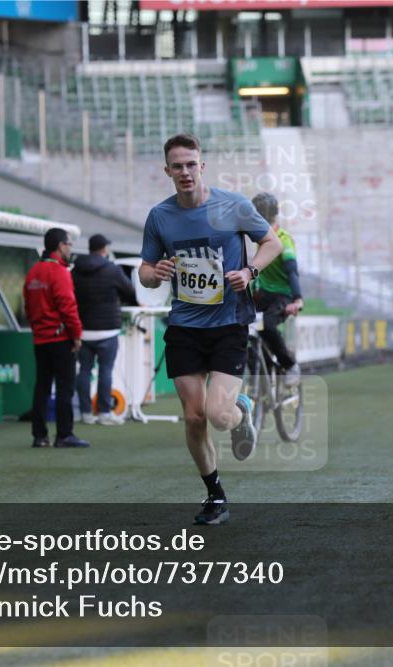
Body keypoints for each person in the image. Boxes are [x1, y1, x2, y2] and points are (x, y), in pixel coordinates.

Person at [138, 133, 282, 525]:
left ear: (202, 166)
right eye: (177, 166)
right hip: (184, 325)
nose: (185, 172)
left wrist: (249, 271)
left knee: (218, 415)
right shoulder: (160, 216)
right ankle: (215, 495)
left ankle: (241, 410)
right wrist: (155, 272)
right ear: (167, 171)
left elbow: (272, 244)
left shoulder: (233, 205)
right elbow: (145, 271)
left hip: (228, 324)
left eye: (191, 164)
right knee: (194, 417)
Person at [23, 228, 89, 449]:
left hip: (40, 339)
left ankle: (39, 436)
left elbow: (28, 307)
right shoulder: (60, 272)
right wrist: (76, 335)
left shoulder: (33, 271)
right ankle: (64, 435)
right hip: (60, 339)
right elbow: (68, 307)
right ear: (61, 246)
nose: (70, 248)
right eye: (69, 244)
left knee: (42, 386)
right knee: (64, 387)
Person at [72, 233, 136, 426]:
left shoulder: (75, 270)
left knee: (84, 371)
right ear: (104, 249)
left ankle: (85, 413)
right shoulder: (112, 269)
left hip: (83, 330)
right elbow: (130, 291)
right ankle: (104, 413)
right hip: (108, 329)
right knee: (105, 371)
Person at [249, 192, 303, 387]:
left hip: (282, 296)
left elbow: (292, 271)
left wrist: (297, 299)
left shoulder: (283, 239)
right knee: (241, 331)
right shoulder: (260, 239)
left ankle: (290, 365)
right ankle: (263, 372)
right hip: (261, 296)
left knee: (267, 325)